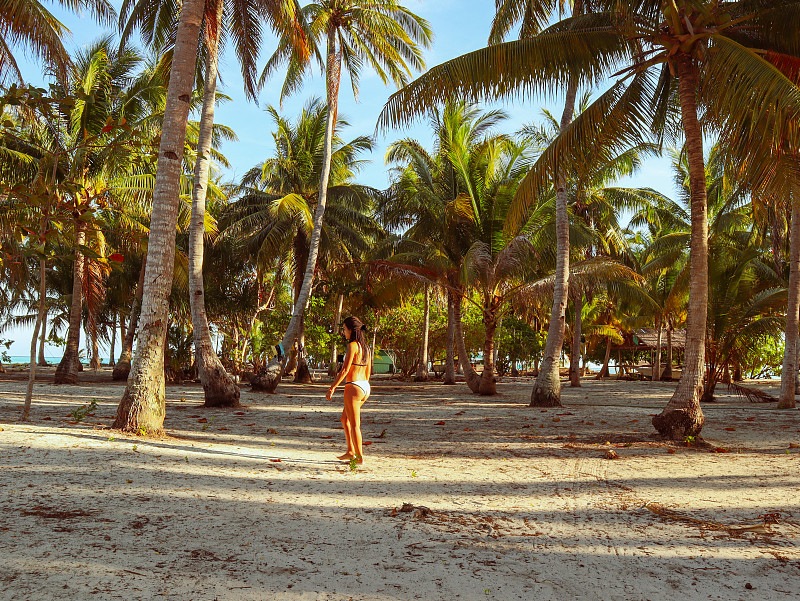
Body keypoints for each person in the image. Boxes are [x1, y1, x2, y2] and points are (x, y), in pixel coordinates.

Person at [326, 316, 371, 463]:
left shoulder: (353, 346)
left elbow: (345, 370)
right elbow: (369, 372)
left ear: (351, 330)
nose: (343, 332)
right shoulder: (366, 348)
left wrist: (332, 387)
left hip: (353, 387)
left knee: (354, 425)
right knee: (344, 419)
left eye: (344, 329)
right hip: (365, 386)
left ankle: (359, 458)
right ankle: (351, 451)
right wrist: (363, 388)